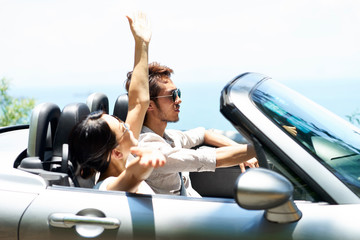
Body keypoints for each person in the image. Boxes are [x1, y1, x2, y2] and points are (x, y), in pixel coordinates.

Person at [125, 62, 258, 196]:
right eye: (172, 95)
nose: (178, 100)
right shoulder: (148, 150)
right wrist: (261, 148)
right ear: (149, 105)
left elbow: (204, 134)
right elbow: (208, 159)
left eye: (178, 93)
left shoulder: (169, 137)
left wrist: (238, 149)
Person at [69, 12, 165, 194]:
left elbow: (139, 103)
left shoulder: (122, 157)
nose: (129, 126)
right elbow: (132, 177)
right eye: (123, 129)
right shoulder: (107, 187)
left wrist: (141, 44)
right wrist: (145, 162)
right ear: (116, 152)